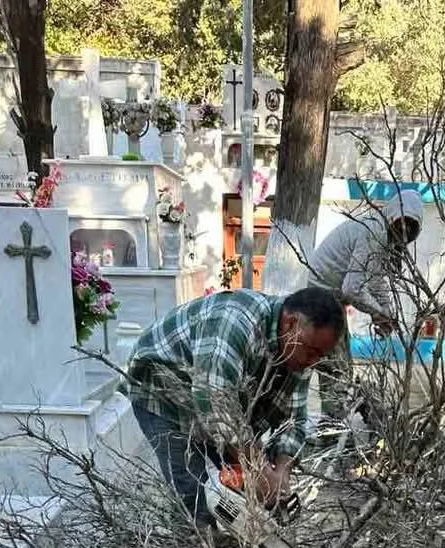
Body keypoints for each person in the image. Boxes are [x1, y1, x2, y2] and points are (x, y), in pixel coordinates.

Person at [125, 286, 345, 519]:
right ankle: (196, 537)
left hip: (218, 403)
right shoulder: (235, 322)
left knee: (242, 494)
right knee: (195, 494)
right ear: (291, 323)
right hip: (163, 390)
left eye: (320, 356)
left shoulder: (300, 351)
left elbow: (294, 421)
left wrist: (281, 473)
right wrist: (257, 467)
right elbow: (214, 403)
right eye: (311, 351)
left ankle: (240, 534)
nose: (312, 361)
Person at [306, 189, 424, 420]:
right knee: (338, 375)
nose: (404, 232)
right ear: (393, 215)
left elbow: (376, 281)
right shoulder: (373, 233)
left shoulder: (380, 234)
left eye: (410, 228)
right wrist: (379, 314)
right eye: (402, 223)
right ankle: (333, 430)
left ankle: (342, 418)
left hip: (327, 302)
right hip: (321, 303)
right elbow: (352, 289)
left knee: (340, 372)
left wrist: (387, 312)